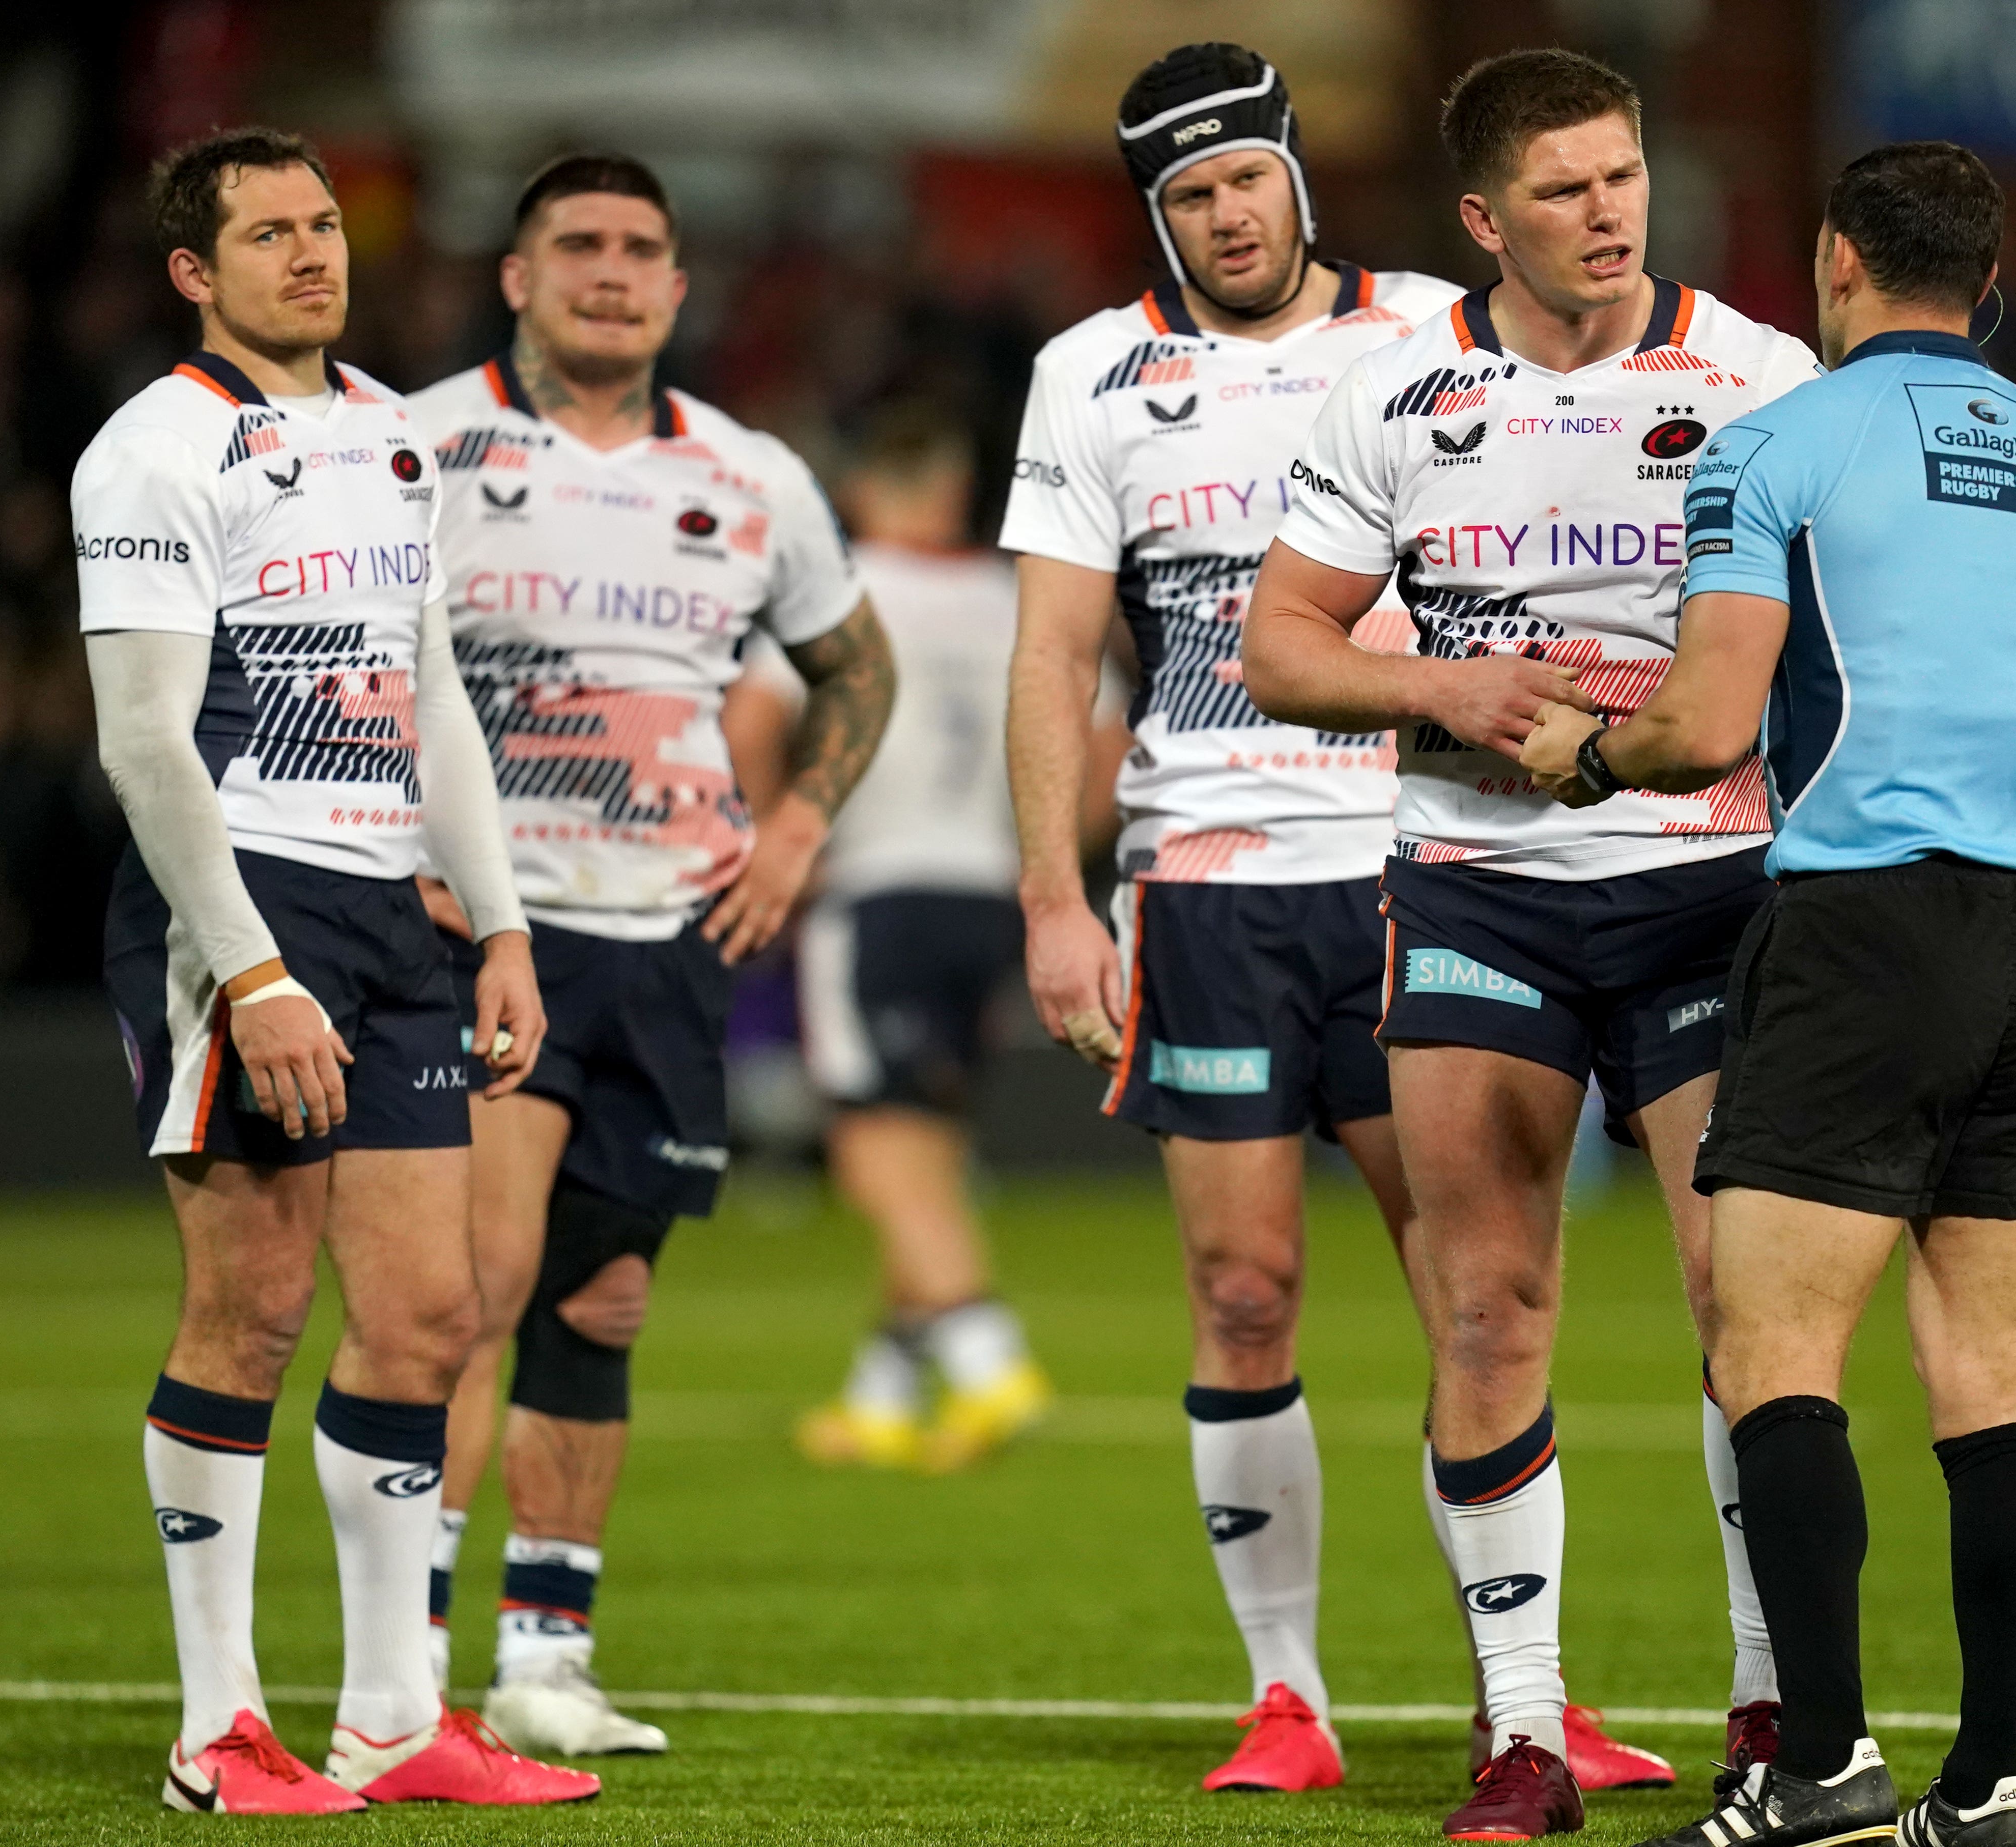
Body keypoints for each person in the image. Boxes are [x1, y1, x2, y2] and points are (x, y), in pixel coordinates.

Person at [1004, 39, 1672, 1802]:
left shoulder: (1432, 334)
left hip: (1406, 869)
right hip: (1205, 886)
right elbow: (1055, 657)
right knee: (1239, 1291)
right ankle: (1283, 1696)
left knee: (1474, 1300)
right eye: (1189, 197)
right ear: (1153, 214)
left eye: (1246, 181)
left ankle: (1520, 1700)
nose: (1227, 218)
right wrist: (1049, 895)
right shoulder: (1089, 375)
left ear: (1296, 172)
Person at [1519, 142, 2016, 1847]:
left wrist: (1581, 755)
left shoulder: (1781, 439)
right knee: (1988, 1367)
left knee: (1772, 1345)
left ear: (1838, 262)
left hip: (1861, 922)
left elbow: (1706, 727)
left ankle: (1822, 1767)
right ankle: (1987, 1784)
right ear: (1984, 282)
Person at [1242, 49, 1823, 1841]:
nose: (1610, 212)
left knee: (1749, 1306)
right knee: (1487, 1307)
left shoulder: (1758, 378)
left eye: (1625, 177)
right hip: (1479, 888)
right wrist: (1440, 685)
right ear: (1485, 220)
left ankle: (1768, 1701)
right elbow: (1279, 641)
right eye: (1565, 190)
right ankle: (1520, 1736)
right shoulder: (1393, 393)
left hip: (1711, 884)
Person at [80, 127, 596, 1811]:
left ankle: (392, 1717)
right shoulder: (155, 450)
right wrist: (247, 972)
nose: (313, 253)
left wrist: (501, 915)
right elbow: (147, 742)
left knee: (433, 1313)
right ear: (193, 272)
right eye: (270, 233)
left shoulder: (388, 435)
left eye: (323, 224)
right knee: (254, 1305)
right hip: (246, 903)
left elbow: (429, 691)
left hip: (393, 914)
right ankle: (215, 1733)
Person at [406, 154, 894, 1757]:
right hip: (499, 933)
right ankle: (404, 1665)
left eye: (640, 251)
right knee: (469, 1288)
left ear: (678, 288)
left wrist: (803, 825)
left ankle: (545, 1661)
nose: (611, 273)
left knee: (601, 1304)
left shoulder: (749, 474)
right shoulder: (416, 445)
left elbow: (853, 664)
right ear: (517, 275)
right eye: (579, 247)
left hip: (672, 934)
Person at [715, 408, 1058, 1472]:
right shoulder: (1012, 600)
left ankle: (991, 1361)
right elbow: (1095, 734)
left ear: (862, 494)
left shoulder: (843, 589)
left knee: (872, 1148)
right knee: (929, 1147)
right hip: (991, 895)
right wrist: (1044, 849)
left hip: (877, 891)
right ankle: (882, 1394)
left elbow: (747, 722)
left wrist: (781, 838)